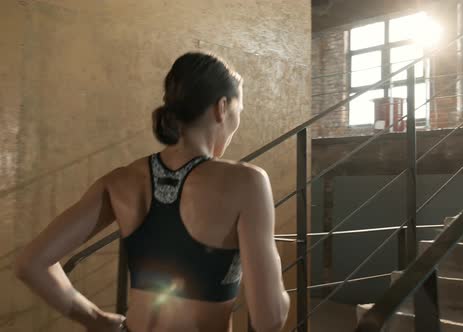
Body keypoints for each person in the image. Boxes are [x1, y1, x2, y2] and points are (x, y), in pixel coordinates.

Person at [14, 52, 291, 332]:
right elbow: (269, 318)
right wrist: (276, 277)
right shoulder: (248, 182)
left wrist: (95, 319)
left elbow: (31, 263)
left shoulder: (121, 180)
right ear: (221, 108)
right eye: (238, 111)